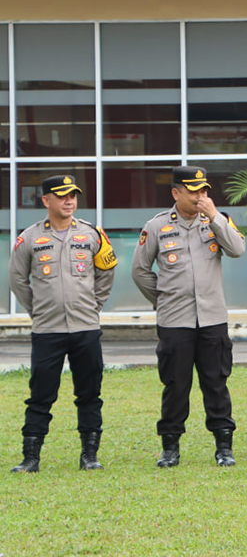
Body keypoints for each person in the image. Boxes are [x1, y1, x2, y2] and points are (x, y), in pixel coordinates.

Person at [132, 165, 246, 468]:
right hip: (175, 322)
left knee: (216, 383)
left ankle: (224, 447)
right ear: (176, 193)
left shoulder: (216, 221)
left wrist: (216, 217)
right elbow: (140, 271)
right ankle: (170, 448)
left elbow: (237, 249)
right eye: (193, 190)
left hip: (212, 319)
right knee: (175, 385)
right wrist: (163, 300)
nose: (200, 195)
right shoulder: (156, 226)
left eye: (204, 190)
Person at [9, 174, 117, 473]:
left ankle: (89, 455)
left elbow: (106, 271)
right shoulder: (28, 238)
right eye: (62, 196)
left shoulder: (92, 234)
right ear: (46, 201)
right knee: (40, 395)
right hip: (47, 331)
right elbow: (17, 279)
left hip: (85, 328)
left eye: (73, 195)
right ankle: (31, 457)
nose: (69, 201)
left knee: (89, 393)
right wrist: (38, 311)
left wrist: (94, 307)